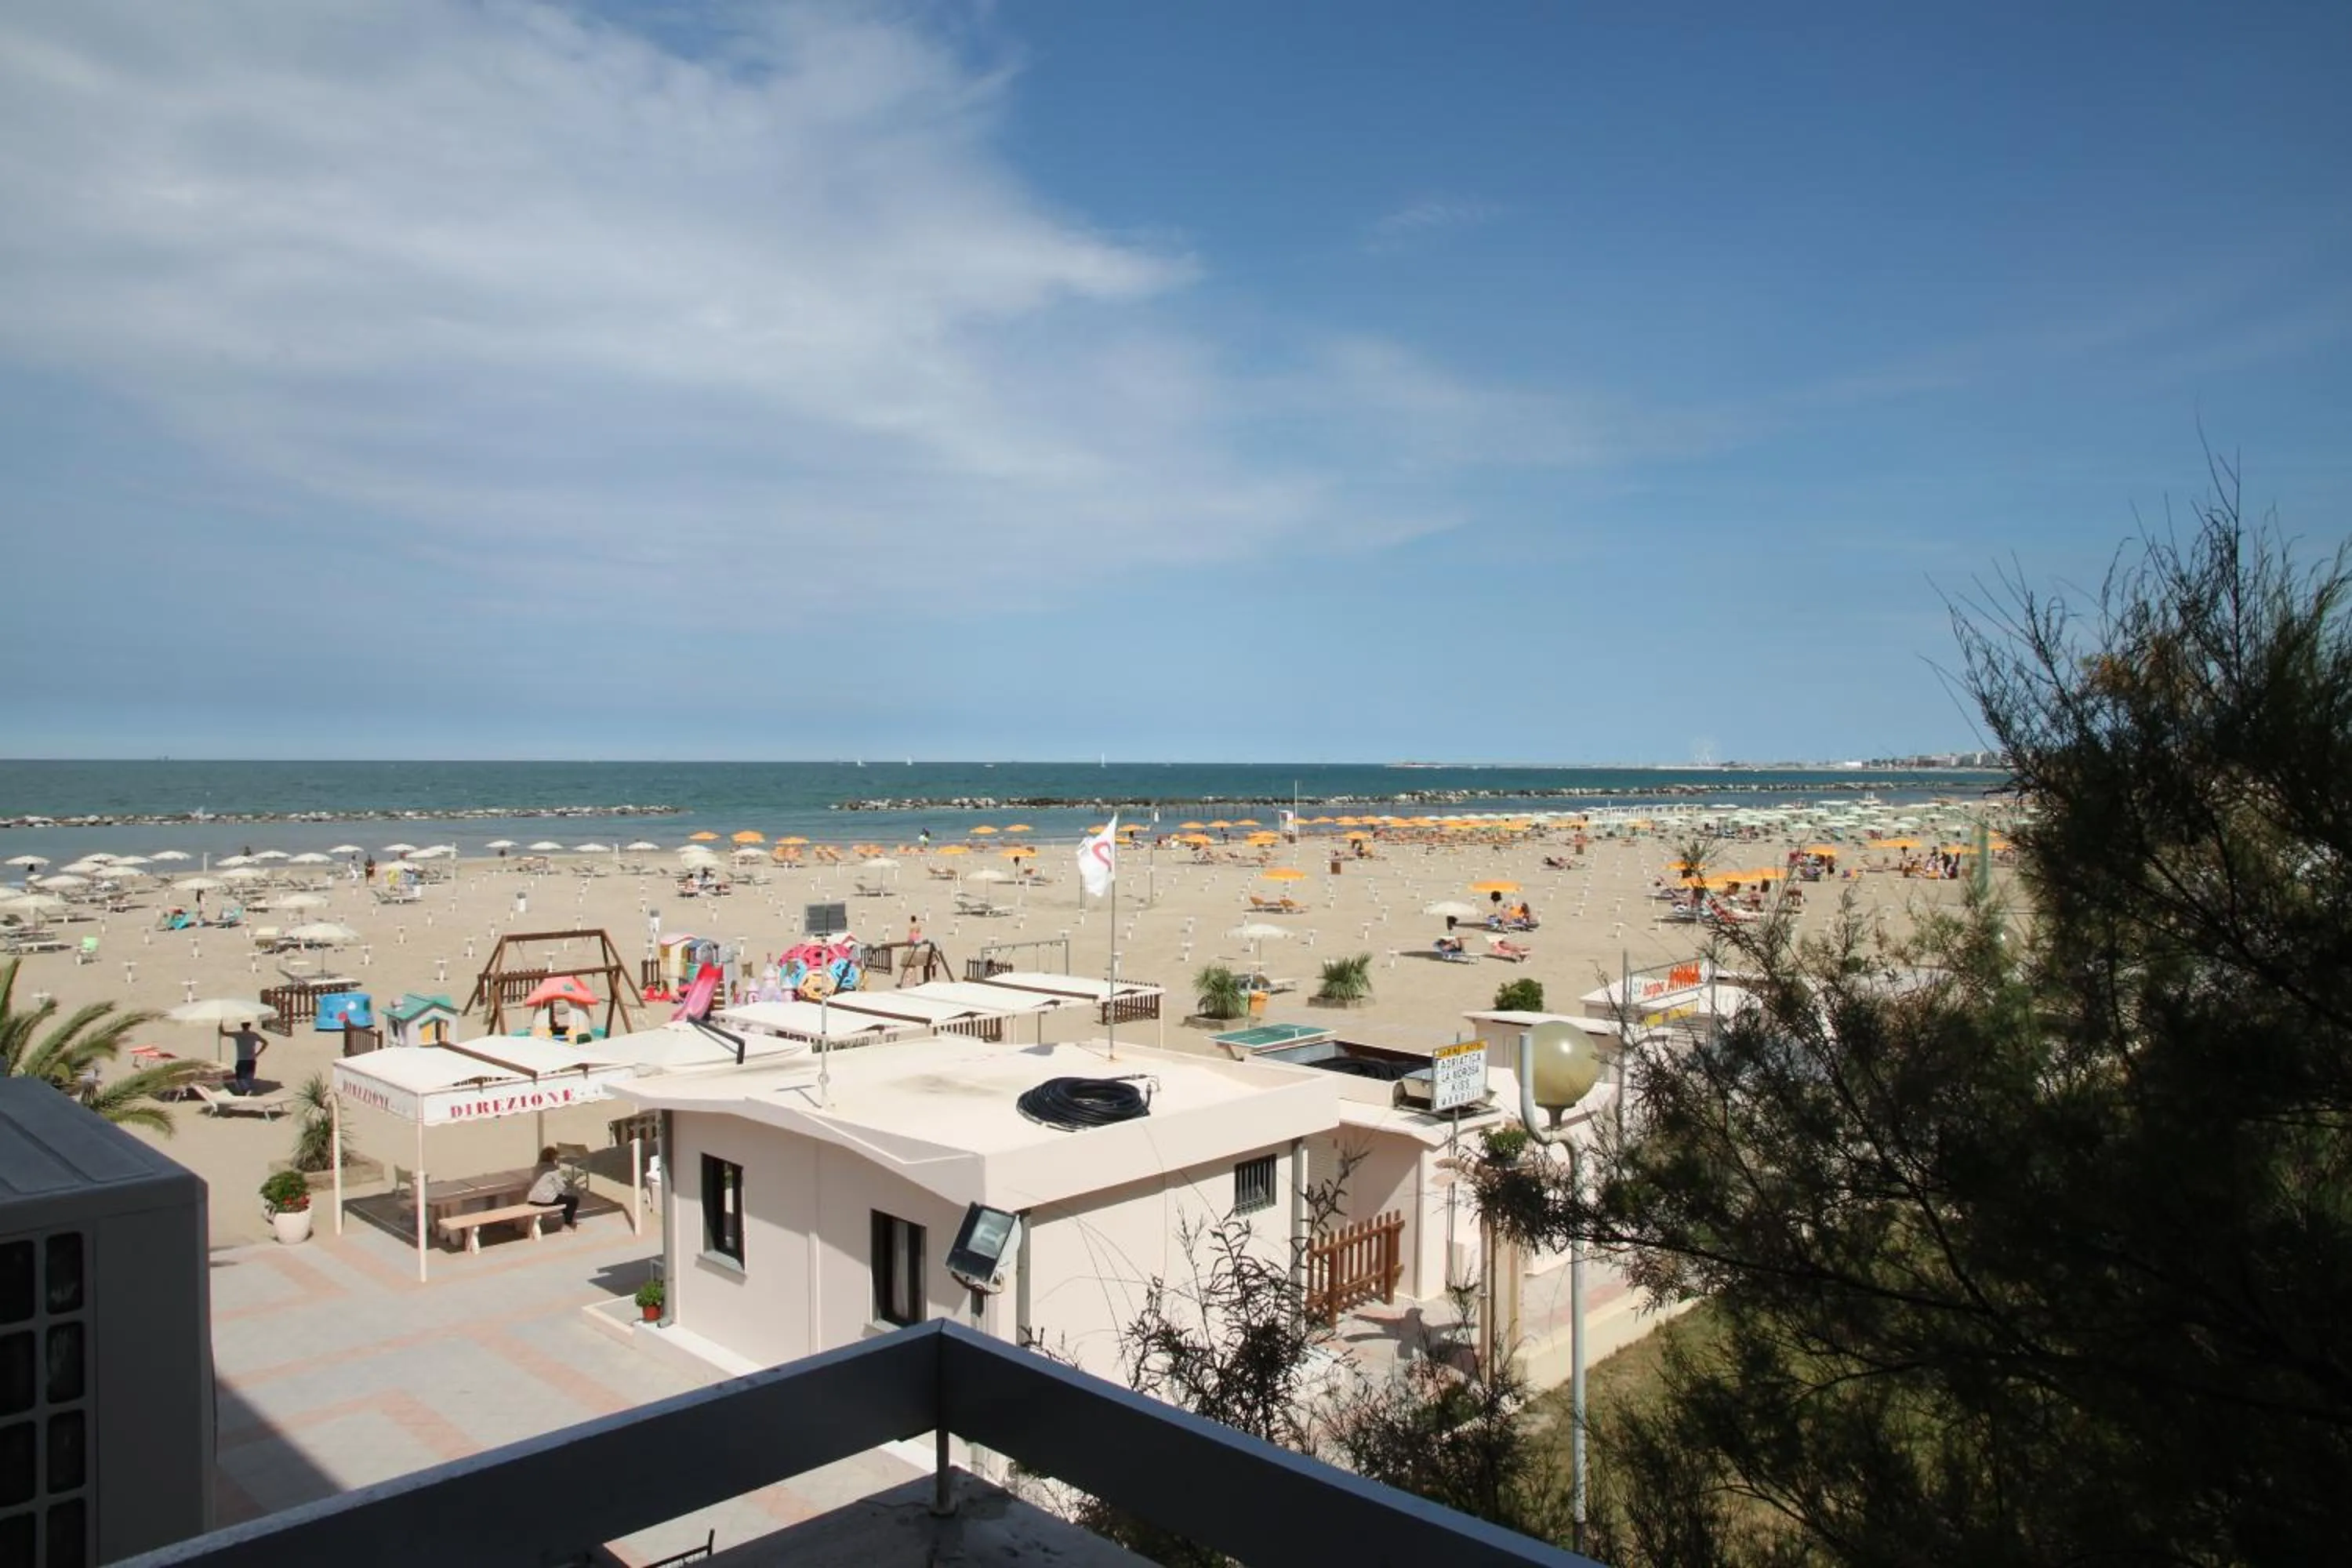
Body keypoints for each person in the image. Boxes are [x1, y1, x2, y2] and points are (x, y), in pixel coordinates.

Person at [528, 1147, 579, 1229]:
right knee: (573, 1200)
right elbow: (561, 1188)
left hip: (532, 1200)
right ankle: (567, 1224)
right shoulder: (553, 1169)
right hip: (546, 1200)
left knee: (563, 1199)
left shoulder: (536, 1168)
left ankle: (568, 1220)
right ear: (553, 1158)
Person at [230, 1025, 266, 1094]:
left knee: (240, 1078)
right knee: (249, 1078)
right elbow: (265, 1043)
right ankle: (246, 1091)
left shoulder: (237, 1034)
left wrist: (220, 1023)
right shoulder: (254, 1034)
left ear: (241, 1025)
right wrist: (257, 1054)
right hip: (251, 1059)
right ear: (249, 1025)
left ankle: (244, 1092)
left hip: (242, 1060)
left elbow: (223, 1033)